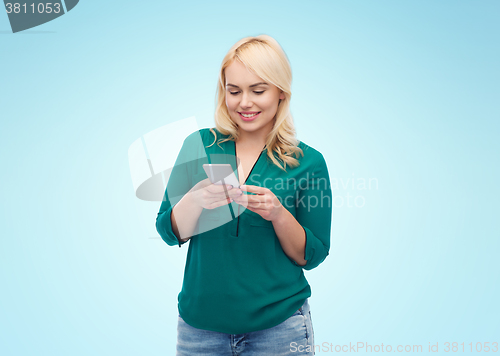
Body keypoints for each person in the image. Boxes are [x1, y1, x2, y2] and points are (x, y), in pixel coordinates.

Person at [156, 34, 332, 356]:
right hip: (200, 330)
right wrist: (194, 200)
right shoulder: (200, 146)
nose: (244, 103)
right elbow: (168, 232)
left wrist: (279, 214)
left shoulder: (307, 162)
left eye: (258, 90)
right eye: (234, 91)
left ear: (281, 92)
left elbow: (313, 255)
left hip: (278, 330)